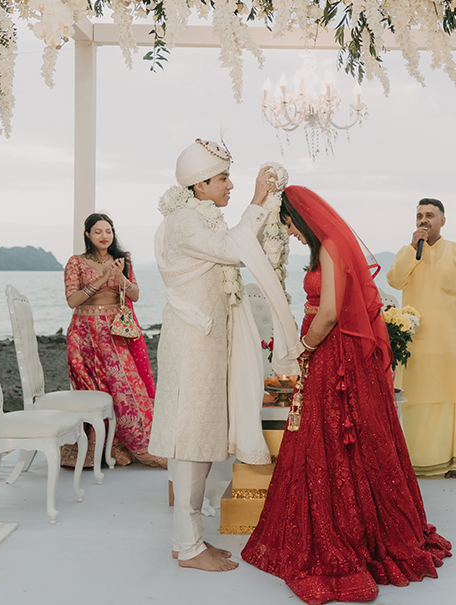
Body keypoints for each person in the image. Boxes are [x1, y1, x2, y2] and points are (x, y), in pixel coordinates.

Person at [242, 186, 451, 605]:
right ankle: (355, 519)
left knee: (332, 436)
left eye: (289, 225)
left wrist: (304, 347)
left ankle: (349, 531)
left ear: (300, 217)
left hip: (334, 354)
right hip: (335, 352)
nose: (292, 234)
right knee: (336, 438)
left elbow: (332, 312)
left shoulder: (332, 248)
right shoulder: (332, 246)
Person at [150, 139, 294, 573]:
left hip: (206, 343)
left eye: (231, 178)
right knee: (191, 438)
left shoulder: (201, 220)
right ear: (200, 185)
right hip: (194, 343)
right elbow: (233, 250)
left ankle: (188, 540)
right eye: (223, 179)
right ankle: (189, 546)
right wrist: (256, 201)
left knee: (201, 436)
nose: (230, 185)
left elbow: (232, 244)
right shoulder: (183, 225)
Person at [386, 198, 456, 478]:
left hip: (450, 342)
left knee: (449, 399)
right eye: (419, 215)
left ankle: (451, 463)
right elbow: (394, 281)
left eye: (430, 215)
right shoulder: (407, 253)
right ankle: (415, 462)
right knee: (416, 400)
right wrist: (411, 250)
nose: (423, 220)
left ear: (443, 220)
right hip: (416, 343)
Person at [63, 213, 165, 468]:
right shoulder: (76, 262)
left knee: (126, 386)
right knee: (94, 392)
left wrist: (120, 277)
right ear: (87, 235)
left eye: (108, 231)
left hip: (114, 333)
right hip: (84, 334)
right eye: (97, 231)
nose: (104, 236)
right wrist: (101, 278)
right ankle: (100, 447)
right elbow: (72, 301)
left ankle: (142, 443)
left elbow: (136, 294)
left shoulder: (123, 259)